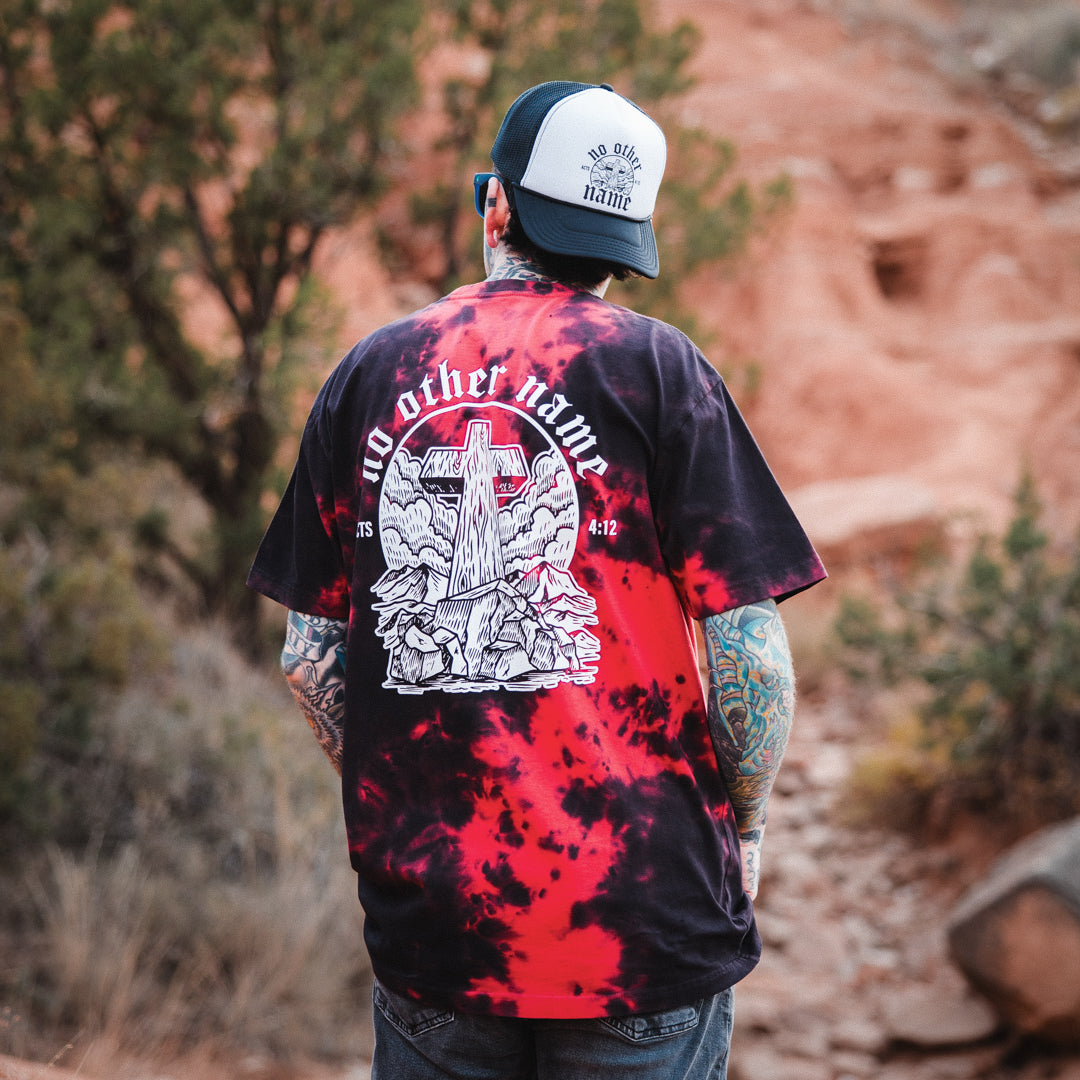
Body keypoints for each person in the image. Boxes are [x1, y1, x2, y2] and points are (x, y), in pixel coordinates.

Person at [248, 80, 826, 1080]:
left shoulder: (370, 372)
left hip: (441, 929)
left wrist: (413, 788)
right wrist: (752, 825)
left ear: (498, 205)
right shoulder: (661, 370)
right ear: (624, 241)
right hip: (639, 921)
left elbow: (310, 658)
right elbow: (747, 650)